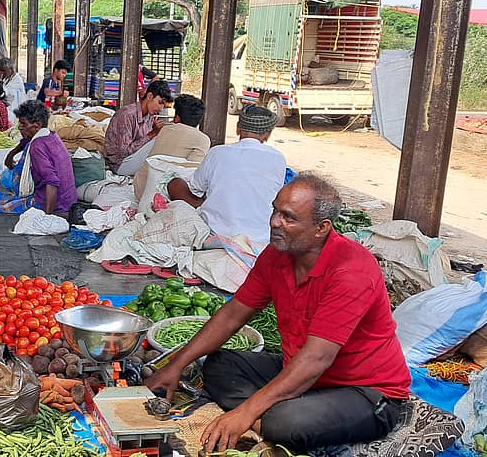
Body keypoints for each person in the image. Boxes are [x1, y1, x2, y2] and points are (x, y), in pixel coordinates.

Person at [147, 173, 410, 454]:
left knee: (285, 422)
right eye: (274, 210)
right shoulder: (277, 255)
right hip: (302, 371)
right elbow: (232, 314)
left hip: (365, 392)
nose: (274, 222)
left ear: (322, 228)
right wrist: (176, 365)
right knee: (219, 365)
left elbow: (317, 359)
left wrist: (247, 412)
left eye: (288, 217)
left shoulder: (351, 271)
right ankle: (273, 416)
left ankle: (270, 420)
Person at [165, 105, 286, 246]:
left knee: (175, 184)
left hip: (216, 233)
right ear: (267, 134)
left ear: (238, 128)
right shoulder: (278, 158)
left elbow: (195, 190)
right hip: (261, 237)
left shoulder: (217, 152)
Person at [2, 101, 77, 214]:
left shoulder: (36, 146)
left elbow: (51, 181)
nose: (19, 127)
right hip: (68, 200)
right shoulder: (50, 135)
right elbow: (25, 142)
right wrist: (10, 155)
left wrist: (46, 216)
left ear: (36, 125)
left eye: (23, 124)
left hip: (54, 203)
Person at [133, 94, 211, 199]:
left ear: (177, 118)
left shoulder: (164, 129)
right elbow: (193, 175)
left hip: (140, 189)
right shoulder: (202, 139)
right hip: (162, 196)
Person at [103, 79, 173, 175]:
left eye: (163, 106)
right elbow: (124, 152)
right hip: (120, 164)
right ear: (149, 96)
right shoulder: (127, 115)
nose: (161, 109)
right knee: (158, 141)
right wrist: (152, 134)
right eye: (160, 103)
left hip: (134, 158)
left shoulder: (149, 115)